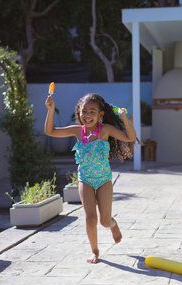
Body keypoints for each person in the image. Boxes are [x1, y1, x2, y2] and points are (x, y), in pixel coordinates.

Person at [45, 93, 136, 263]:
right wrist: (50, 110)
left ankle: (113, 224)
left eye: (92, 111)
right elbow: (50, 131)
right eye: (84, 111)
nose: (87, 115)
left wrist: (125, 118)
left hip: (103, 181)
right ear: (79, 112)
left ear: (100, 114)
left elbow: (129, 137)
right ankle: (95, 251)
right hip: (85, 180)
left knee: (104, 221)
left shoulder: (105, 130)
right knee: (90, 218)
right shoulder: (77, 131)